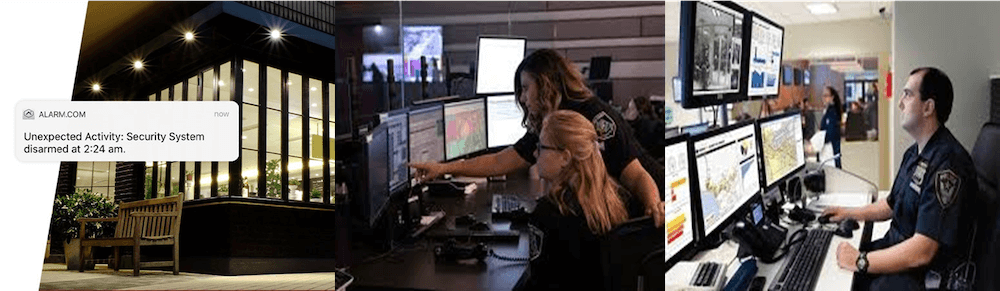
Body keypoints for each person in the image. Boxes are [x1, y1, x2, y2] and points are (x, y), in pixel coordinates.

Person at [410, 49, 665, 226]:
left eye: (525, 88)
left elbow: (636, 175)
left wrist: (655, 206)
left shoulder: (594, 115)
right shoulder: (552, 120)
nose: (521, 98)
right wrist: (444, 168)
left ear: (545, 85)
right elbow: (502, 161)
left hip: (652, 204)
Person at [822, 67, 977, 290]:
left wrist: (860, 260)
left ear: (928, 107)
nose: (900, 103)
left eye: (907, 94)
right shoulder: (914, 153)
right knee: (834, 267)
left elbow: (923, 251)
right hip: (899, 253)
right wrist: (848, 212)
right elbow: (891, 204)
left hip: (920, 276)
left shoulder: (948, 164)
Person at [519, 110, 644, 290]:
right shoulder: (617, 200)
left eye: (541, 147)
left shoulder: (548, 213)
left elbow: (539, 283)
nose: (535, 153)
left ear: (565, 157)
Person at [820, 86, 844, 168]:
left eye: (826, 96)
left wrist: (817, 141)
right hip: (829, 148)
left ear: (832, 97)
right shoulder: (828, 110)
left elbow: (830, 133)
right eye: (823, 96)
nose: (824, 98)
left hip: (831, 149)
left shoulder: (833, 112)